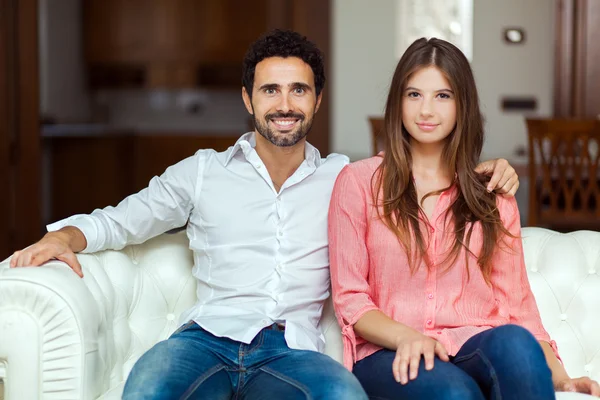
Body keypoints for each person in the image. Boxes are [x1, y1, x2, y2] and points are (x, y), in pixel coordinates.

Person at [10, 31, 518, 399]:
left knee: (344, 398)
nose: (284, 104)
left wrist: (483, 170)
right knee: (146, 388)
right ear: (248, 99)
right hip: (204, 339)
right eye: (270, 90)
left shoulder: (349, 179)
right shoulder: (203, 171)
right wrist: (67, 236)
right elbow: (123, 219)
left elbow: (428, 172)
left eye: (299, 90)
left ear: (317, 101)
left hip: (293, 349)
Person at [328, 37, 600, 400]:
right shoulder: (358, 183)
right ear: (398, 102)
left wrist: (562, 379)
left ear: (462, 105)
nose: (426, 110)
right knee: (455, 393)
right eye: (414, 95)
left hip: (472, 344)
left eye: (443, 96)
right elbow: (351, 300)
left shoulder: (491, 196)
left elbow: (518, 307)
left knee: (516, 344)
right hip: (391, 353)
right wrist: (408, 336)